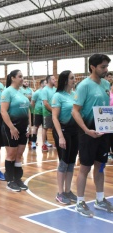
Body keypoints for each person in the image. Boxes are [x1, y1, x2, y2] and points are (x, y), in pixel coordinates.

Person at [72, 53, 113, 217]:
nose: (106, 70)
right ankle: (80, 202)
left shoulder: (105, 84)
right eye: (103, 67)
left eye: (107, 66)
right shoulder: (84, 86)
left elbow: (105, 107)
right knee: (84, 167)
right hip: (88, 132)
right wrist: (86, 130)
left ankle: (100, 199)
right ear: (93, 67)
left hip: (104, 131)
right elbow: (75, 111)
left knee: (100, 166)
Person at [0, 70, 30, 192]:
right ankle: (10, 180)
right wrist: (12, 128)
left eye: (22, 76)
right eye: (20, 76)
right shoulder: (7, 92)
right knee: (11, 155)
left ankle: (17, 179)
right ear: (13, 78)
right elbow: (3, 111)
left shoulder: (22, 91)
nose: (22, 79)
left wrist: (29, 126)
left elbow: (28, 109)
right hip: (11, 128)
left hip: (23, 128)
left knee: (19, 155)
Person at [51, 70, 78, 205]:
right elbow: (54, 118)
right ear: (65, 80)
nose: (75, 80)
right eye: (72, 78)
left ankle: (68, 190)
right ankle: (60, 193)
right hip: (62, 131)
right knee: (63, 162)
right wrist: (60, 137)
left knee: (71, 162)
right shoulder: (57, 96)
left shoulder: (74, 95)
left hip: (74, 131)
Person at [41, 75, 57, 152]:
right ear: (49, 80)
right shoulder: (45, 90)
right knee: (45, 128)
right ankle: (44, 144)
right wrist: (52, 110)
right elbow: (45, 103)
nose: (55, 80)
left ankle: (56, 143)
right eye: (53, 79)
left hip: (55, 112)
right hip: (47, 112)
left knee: (56, 128)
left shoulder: (55, 89)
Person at [30, 79, 46, 150]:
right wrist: (35, 110)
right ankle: (33, 142)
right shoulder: (37, 92)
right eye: (45, 83)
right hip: (38, 112)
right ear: (42, 84)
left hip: (45, 112)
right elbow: (32, 103)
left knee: (45, 127)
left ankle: (45, 142)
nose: (47, 84)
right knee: (36, 127)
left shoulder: (46, 92)